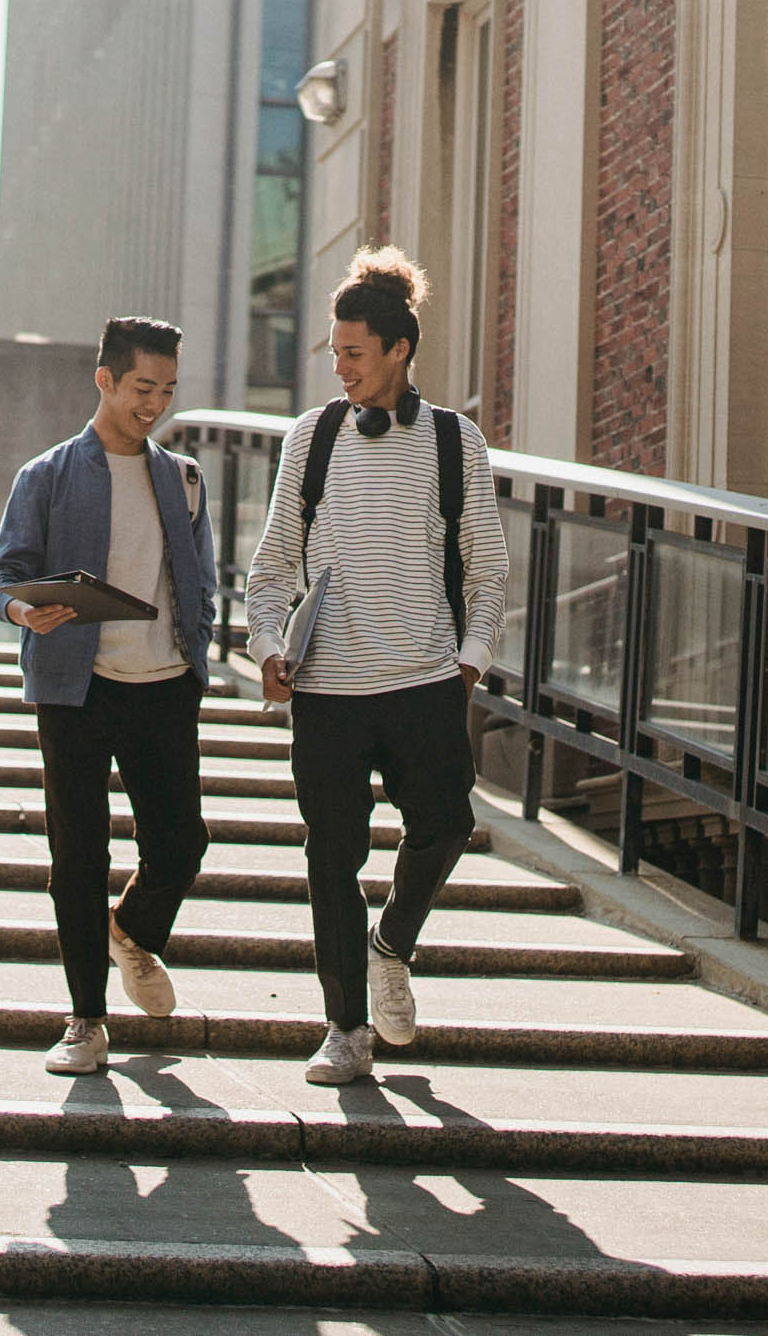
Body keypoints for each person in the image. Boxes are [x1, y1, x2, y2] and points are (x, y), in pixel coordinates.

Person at [243, 248, 511, 1085]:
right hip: (329, 690)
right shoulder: (312, 437)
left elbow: (487, 563)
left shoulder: (453, 441)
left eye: (353, 352)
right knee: (332, 856)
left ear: (398, 348)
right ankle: (344, 1029)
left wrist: (469, 661)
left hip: (427, 682)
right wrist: (265, 643)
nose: (340, 366)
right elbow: (272, 563)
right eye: (334, 352)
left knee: (448, 825)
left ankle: (390, 943)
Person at [0, 317, 218, 1075]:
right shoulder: (47, 476)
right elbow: (1, 578)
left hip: (162, 687)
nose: (155, 404)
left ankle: (130, 930)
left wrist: (197, 656)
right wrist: (26, 609)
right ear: (106, 380)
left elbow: (202, 583)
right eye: (142, 387)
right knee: (78, 854)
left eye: (168, 390)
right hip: (74, 687)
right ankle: (86, 1019)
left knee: (182, 844)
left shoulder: (182, 477)